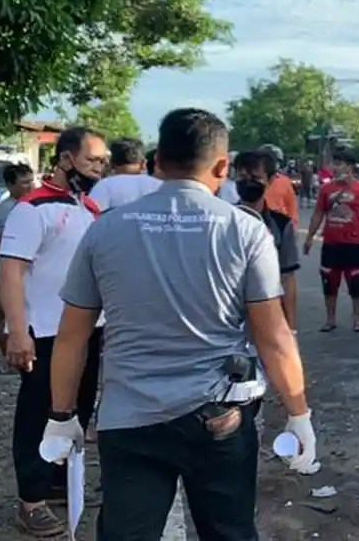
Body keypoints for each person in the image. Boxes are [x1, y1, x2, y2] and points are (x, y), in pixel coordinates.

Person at [44, 108, 316, 539]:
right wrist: (298, 413)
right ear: (223, 166)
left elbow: (72, 335)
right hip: (218, 420)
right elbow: (274, 336)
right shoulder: (243, 231)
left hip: (129, 421)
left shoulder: (105, 229)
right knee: (228, 532)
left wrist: (61, 416)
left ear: (157, 162)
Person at [0, 127, 107, 537]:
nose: (98, 168)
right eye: (90, 160)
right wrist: (16, 330)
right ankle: (31, 499)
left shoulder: (89, 208)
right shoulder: (33, 209)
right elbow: (11, 270)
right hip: (44, 332)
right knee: (37, 415)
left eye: (101, 161)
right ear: (64, 160)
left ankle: (59, 481)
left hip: (87, 332)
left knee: (74, 410)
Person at [304, 148, 359, 332]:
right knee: (329, 283)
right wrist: (309, 237)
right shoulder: (326, 189)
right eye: (334, 164)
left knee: (356, 284)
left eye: (339, 164)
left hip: (354, 245)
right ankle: (330, 319)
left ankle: (358, 318)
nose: (334, 168)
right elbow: (318, 214)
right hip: (331, 245)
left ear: (350, 167)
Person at [235, 150, 302, 330]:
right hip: (230, 317)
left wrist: (291, 329)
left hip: (269, 314)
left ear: (270, 180)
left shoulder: (280, 224)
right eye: (242, 176)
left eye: (255, 176)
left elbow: (287, 277)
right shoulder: (221, 220)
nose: (248, 181)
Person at [0, 163, 37, 358]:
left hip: (31, 269)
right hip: (6, 267)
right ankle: (7, 356)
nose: (30, 186)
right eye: (24, 183)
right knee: (5, 313)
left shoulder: (35, 206)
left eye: (31, 181)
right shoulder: (3, 211)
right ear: (10, 185)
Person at [89, 138, 161, 211]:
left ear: (111, 164)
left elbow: (91, 216)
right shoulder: (160, 186)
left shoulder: (103, 186)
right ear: (143, 163)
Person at [261, 143, 299, 227]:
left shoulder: (284, 181)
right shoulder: (253, 180)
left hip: (279, 225)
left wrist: (293, 226)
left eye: (276, 160)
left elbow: (291, 206)